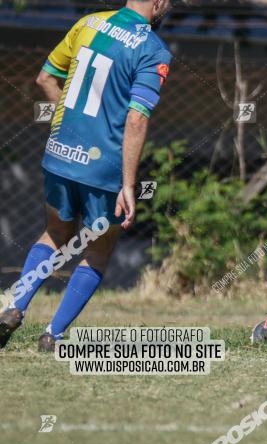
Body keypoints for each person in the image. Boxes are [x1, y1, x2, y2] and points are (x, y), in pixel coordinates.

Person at [0, 0, 173, 352]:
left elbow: (45, 77)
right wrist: (128, 185)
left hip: (61, 152)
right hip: (103, 167)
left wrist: (70, 128)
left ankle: (13, 307)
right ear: (158, 3)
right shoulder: (153, 49)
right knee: (98, 249)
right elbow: (137, 120)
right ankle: (53, 335)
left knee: (54, 232)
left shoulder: (89, 22)